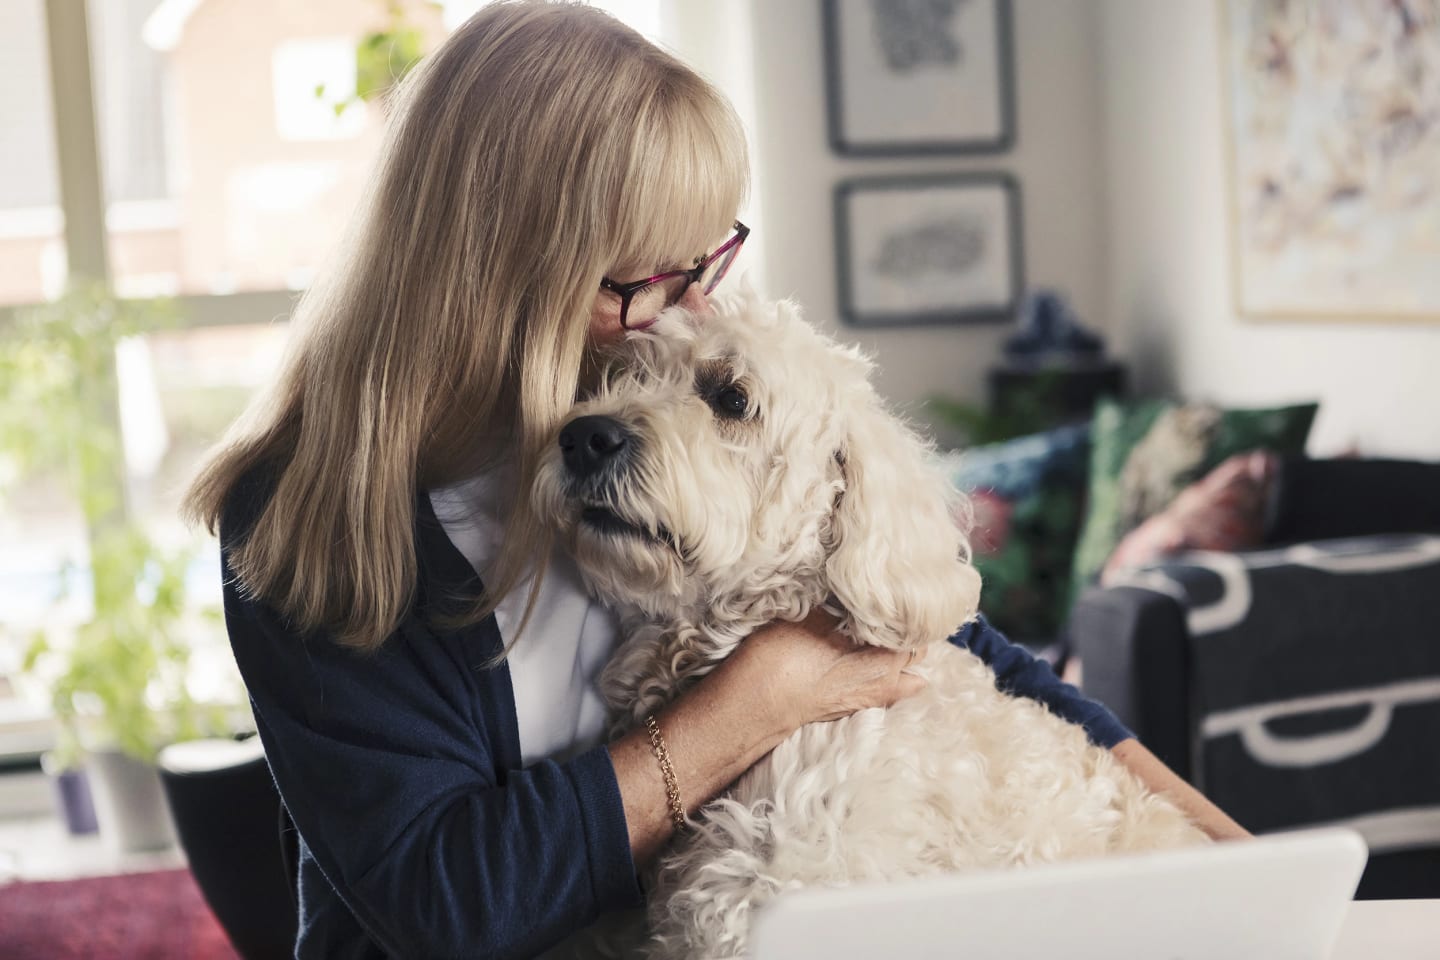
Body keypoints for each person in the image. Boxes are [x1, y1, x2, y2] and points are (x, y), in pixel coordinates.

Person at [184, 4, 1246, 958]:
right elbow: (454, 905)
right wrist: (752, 703)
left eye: (710, 256)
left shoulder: (645, 373)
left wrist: (1228, 858)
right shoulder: (308, 515)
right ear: (506, 266)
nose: (689, 299)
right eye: (647, 272)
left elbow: (940, 642)